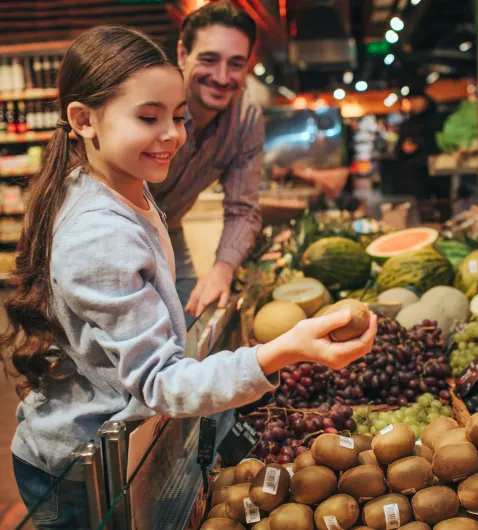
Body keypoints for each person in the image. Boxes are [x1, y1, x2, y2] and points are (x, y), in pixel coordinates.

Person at [0, 26, 377, 529]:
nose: (173, 134)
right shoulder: (99, 235)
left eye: (177, 117)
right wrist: (286, 349)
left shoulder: (118, 185)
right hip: (79, 474)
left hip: (103, 452)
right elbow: (160, 383)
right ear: (83, 120)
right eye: (148, 117)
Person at [150, 1, 266, 324]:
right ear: (183, 54)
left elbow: (243, 208)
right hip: (114, 226)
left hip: (169, 227)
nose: (222, 77)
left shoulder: (246, 119)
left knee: (187, 312)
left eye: (236, 64)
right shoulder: (151, 101)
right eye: (209, 59)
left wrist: (223, 268)